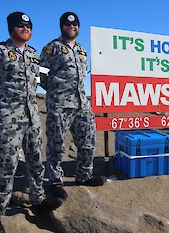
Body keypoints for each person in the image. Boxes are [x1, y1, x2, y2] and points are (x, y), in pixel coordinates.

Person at [0, 12, 62, 233]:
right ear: (11, 28)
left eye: (28, 26)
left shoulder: (34, 54)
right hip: (9, 119)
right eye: (20, 26)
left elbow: (45, 79)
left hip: (32, 117)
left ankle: (38, 200)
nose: (26, 29)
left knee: (35, 161)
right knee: (5, 166)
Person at [40, 12, 104, 201]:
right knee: (56, 145)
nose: (72, 27)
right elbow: (41, 76)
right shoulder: (52, 48)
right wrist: (57, 91)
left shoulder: (82, 51)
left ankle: (84, 176)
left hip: (81, 103)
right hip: (60, 104)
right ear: (62, 27)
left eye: (75, 24)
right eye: (68, 24)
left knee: (88, 141)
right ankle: (55, 182)